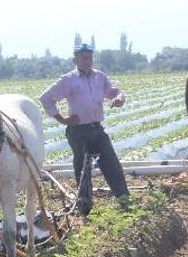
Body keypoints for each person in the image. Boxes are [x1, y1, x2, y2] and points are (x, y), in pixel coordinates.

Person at [39, 43, 130, 216]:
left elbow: (114, 92)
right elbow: (46, 98)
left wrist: (119, 99)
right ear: (75, 60)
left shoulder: (99, 77)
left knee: (112, 164)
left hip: (97, 128)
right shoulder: (68, 80)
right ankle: (85, 208)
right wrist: (63, 119)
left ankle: (125, 201)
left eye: (89, 57)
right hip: (78, 131)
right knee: (83, 169)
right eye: (83, 58)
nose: (87, 61)